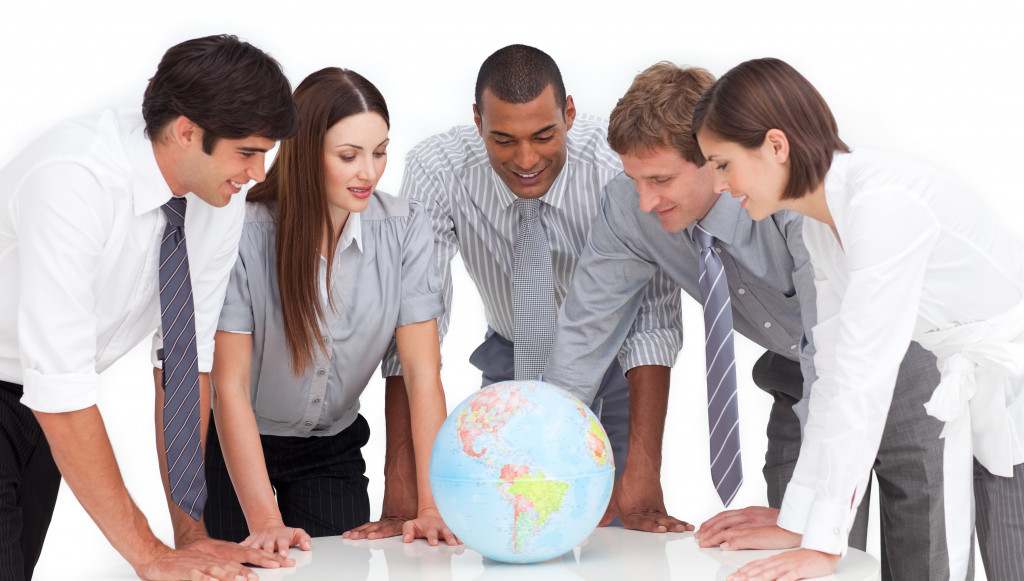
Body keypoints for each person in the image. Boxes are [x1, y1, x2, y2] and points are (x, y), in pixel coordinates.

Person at [543, 62, 948, 580]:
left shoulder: (797, 200)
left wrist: (814, 517)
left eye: (661, 179)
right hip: (798, 378)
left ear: (716, 161)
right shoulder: (630, 209)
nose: (646, 200)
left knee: (916, 558)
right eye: (634, 178)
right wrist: (541, 461)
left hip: (907, 369)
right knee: (791, 561)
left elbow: (834, 349)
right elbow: (582, 334)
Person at [692, 57, 1024, 581]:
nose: (716, 185)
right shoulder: (824, 226)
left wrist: (825, 546)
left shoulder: (882, 208)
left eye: (722, 163)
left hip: (1011, 394)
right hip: (973, 387)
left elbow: (864, 380)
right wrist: (800, 523)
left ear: (776, 146)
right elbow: (833, 376)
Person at [0, 35, 300, 581]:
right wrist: (151, 555)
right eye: (248, 152)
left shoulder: (215, 194)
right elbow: (61, 385)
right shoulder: (74, 179)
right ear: (187, 132)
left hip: (40, 404)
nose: (259, 173)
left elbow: (185, 362)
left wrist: (191, 538)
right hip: (41, 391)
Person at [349, 44, 680, 539]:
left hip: (616, 364)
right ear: (478, 121)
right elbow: (415, 322)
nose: (526, 160)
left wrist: (644, 472)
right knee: (506, 531)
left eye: (544, 135)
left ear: (568, 113)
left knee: (613, 536)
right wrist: (401, 485)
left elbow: (652, 316)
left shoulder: (617, 166)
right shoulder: (439, 169)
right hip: (506, 363)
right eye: (503, 139)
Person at [204, 67, 457, 554]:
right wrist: (265, 520)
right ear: (304, 154)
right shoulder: (244, 230)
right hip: (236, 445)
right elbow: (227, 385)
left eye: (380, 153)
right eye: (349, 156)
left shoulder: (406, 228)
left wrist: (431, 508)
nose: (370, 172)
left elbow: (423, 376)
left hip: (330, 447)